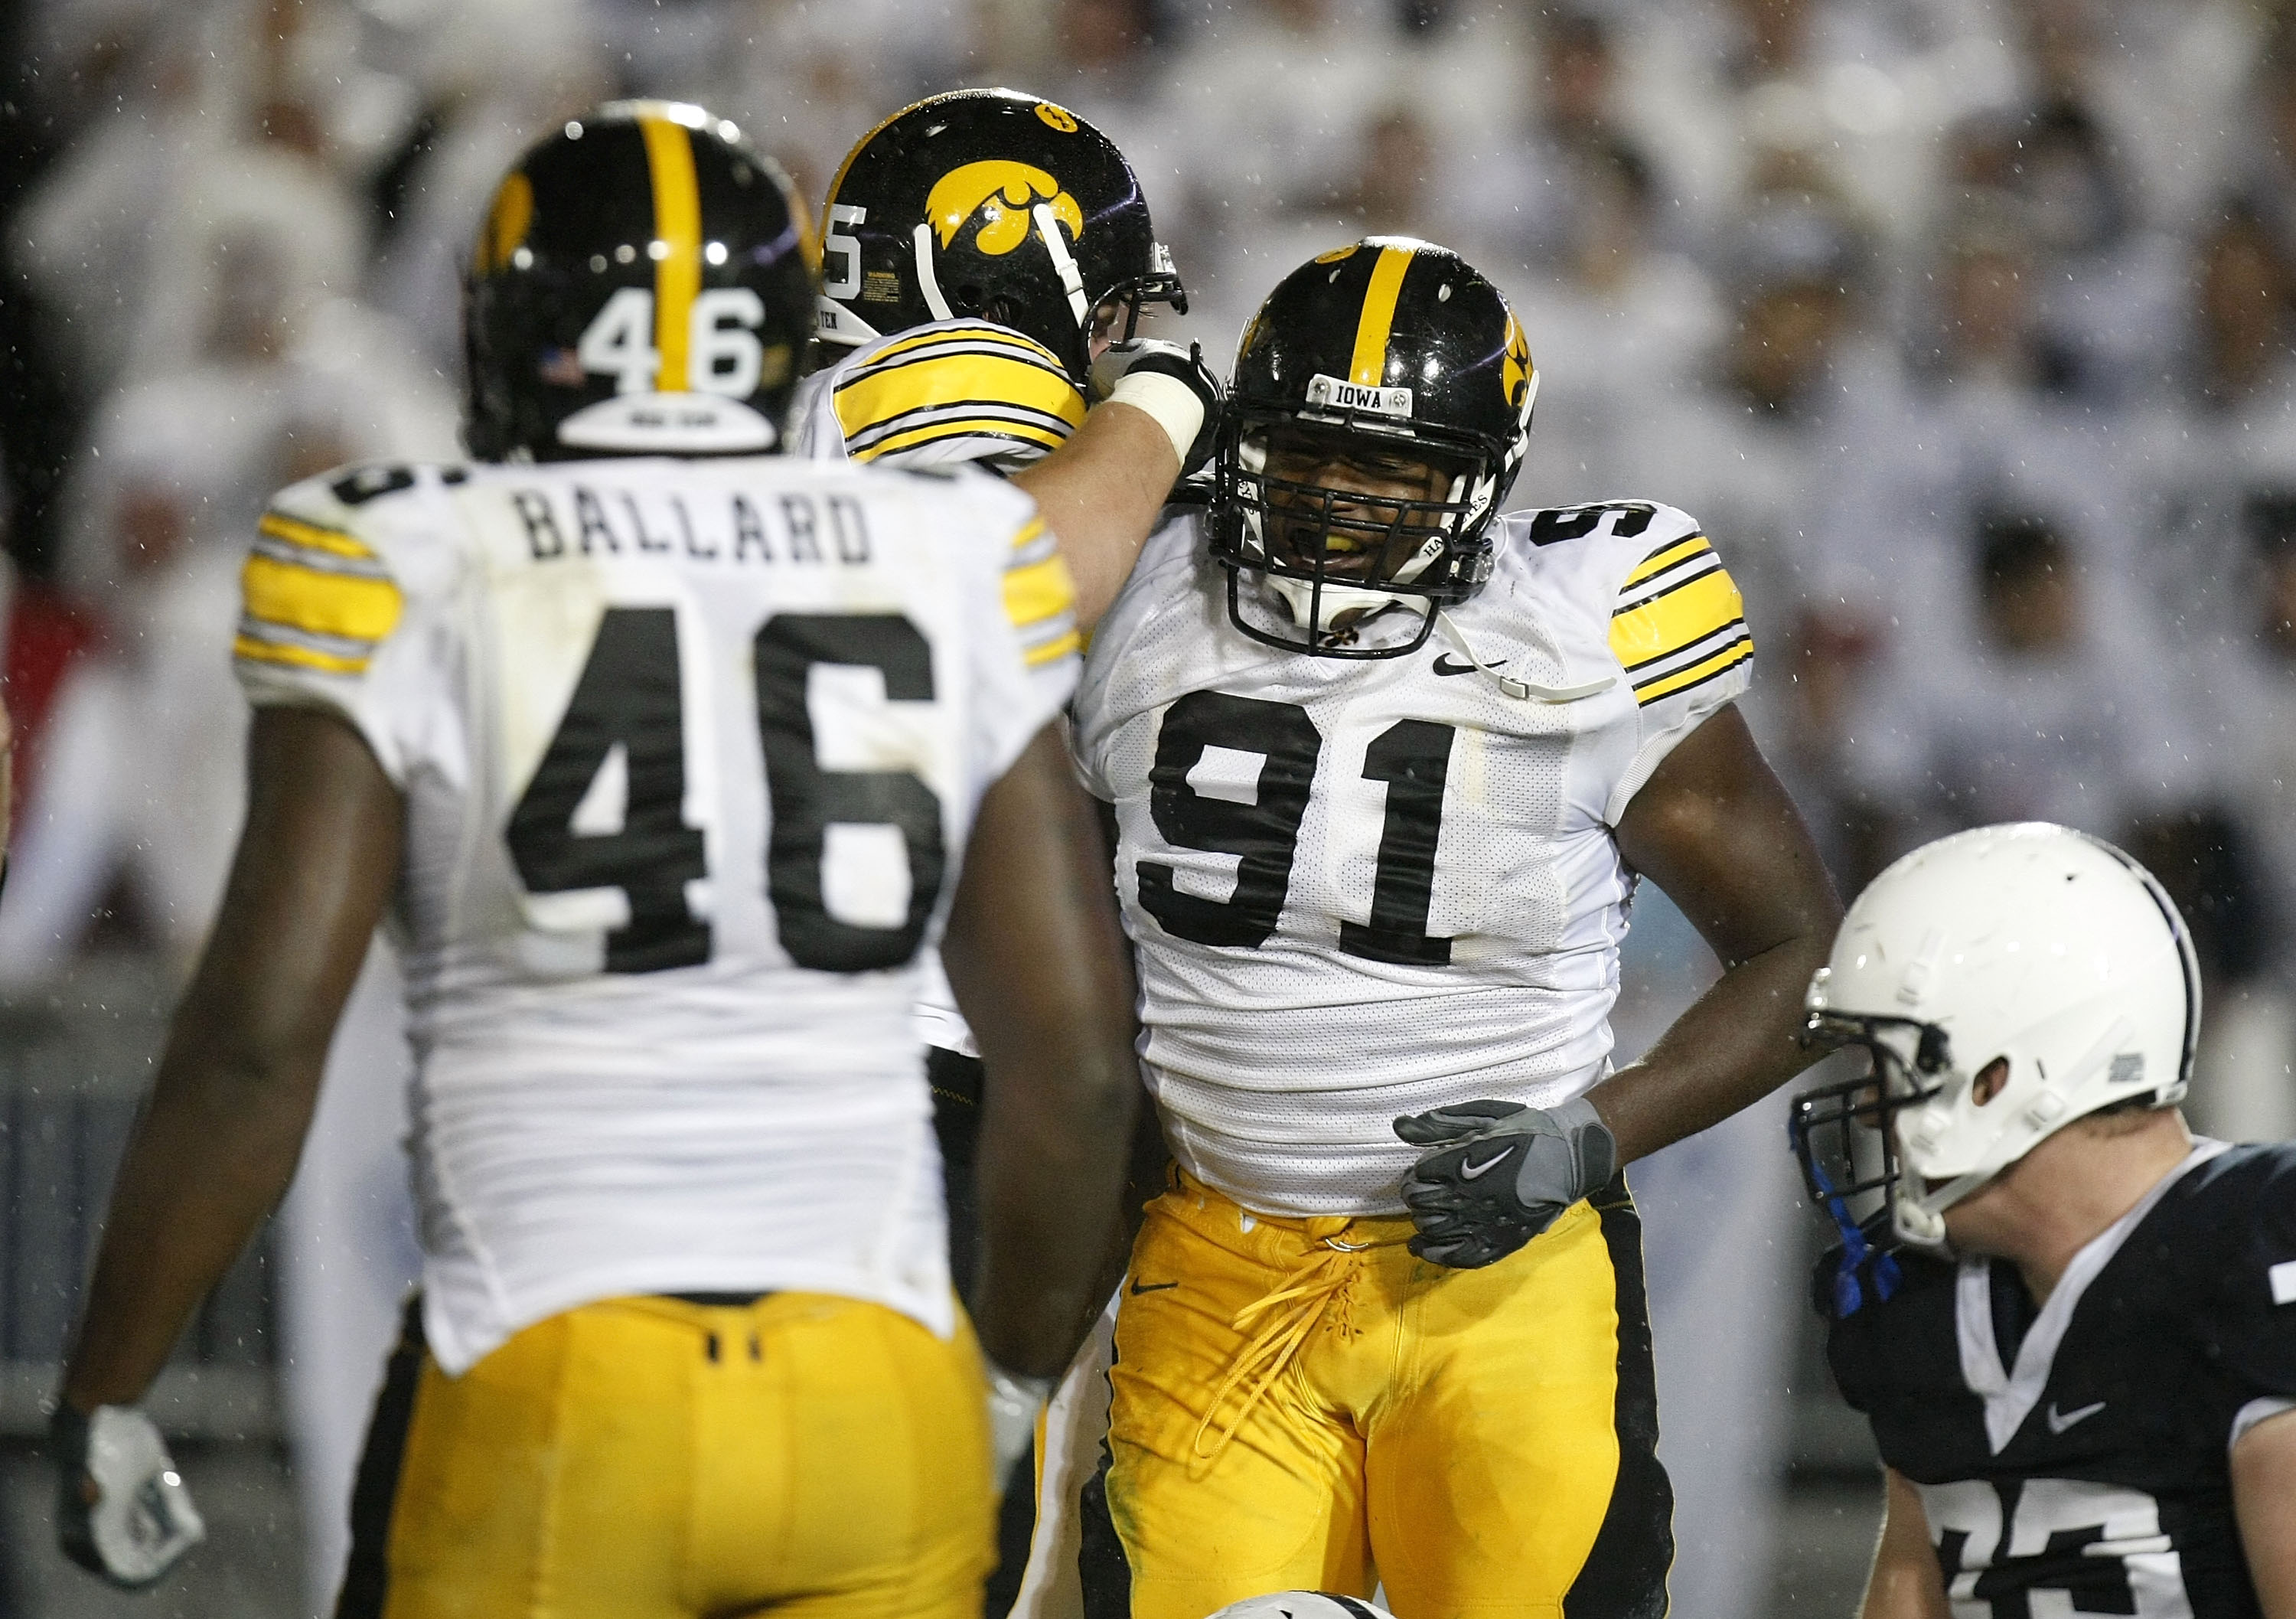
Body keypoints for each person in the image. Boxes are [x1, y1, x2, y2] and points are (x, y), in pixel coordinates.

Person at [44, 100, 1143, 1619]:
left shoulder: (402, 553)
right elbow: (1078, 1064)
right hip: (876, 1391)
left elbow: (251, 1042)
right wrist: (1012, 1382)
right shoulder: (943, 562)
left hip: (557, 1374)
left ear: (510, 328)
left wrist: (107, 1382)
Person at [1065, 235, 1843, 1617]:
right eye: (1310, 452)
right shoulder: (1137, 591)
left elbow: (1800, 952)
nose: (1346, 502)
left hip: (1505, 1286)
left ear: (1479, 484)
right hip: (1214, 1261)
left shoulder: (1585, 633)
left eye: (1395, 468)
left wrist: (1600, 1131)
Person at [797, 86, 1215, 1310]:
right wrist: (1167, 402)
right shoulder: (955, 380)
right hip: (907, 1060)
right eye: (1108, 305)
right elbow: (1016, 581)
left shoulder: (807, 420)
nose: (1114, 340)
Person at [1790, 821, 2296, 1617]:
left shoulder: (2251, 1251)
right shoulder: (1920, 1303)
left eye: (1891, 1068)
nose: (1873, 1110)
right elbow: (1912, 1586)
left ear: (1997, 1077)